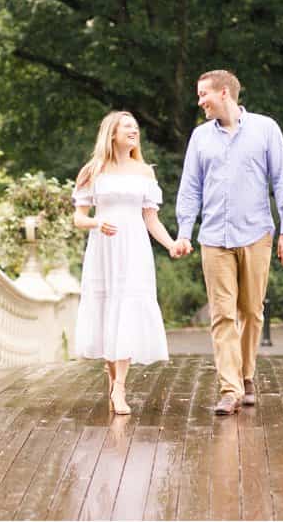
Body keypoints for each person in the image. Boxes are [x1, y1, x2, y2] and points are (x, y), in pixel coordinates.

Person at [174, 69, 283, 415]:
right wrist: (185, 231)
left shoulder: (266, 129)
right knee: (222, 315)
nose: (199, 101)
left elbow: (282, 181)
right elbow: (190, 188)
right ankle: (229, 389)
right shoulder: (200, 137)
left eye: (204, 95)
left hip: (256, 233)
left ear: (225, 93)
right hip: (213, 237)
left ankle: (246, 375)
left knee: (251, 312)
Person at [72, 111, 179, 415]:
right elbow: (78, 217)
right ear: (112, 134)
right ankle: (112, 380)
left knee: (128, 309)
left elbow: (151, 219)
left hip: (134, 248)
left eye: (136, 127)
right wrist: (97, 223)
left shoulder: (145, 172)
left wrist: (171, 244)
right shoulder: (93, 171)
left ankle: (120, 388)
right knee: (108, 310)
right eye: (127, 127)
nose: (134, 132)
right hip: (103, 248)